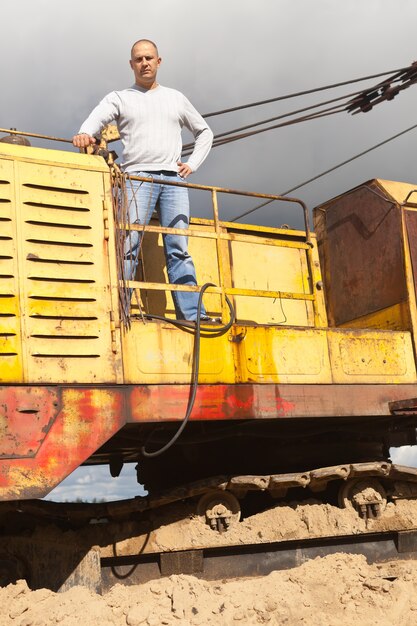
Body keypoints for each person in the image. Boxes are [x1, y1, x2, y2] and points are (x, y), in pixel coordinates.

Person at [73, 39, 214, 321]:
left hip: (174, 180)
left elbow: (205, 132)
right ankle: (119, 308)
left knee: (179, 246)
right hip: (137, 177)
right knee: (129, 243)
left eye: (149, 58)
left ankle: (192, 314)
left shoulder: (175, 98)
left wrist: (192, 165)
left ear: (159, 62)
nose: (144, 63)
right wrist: (84, 133)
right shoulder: (120, 97)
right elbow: (96, 119)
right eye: (139, 59)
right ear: (131, 64)